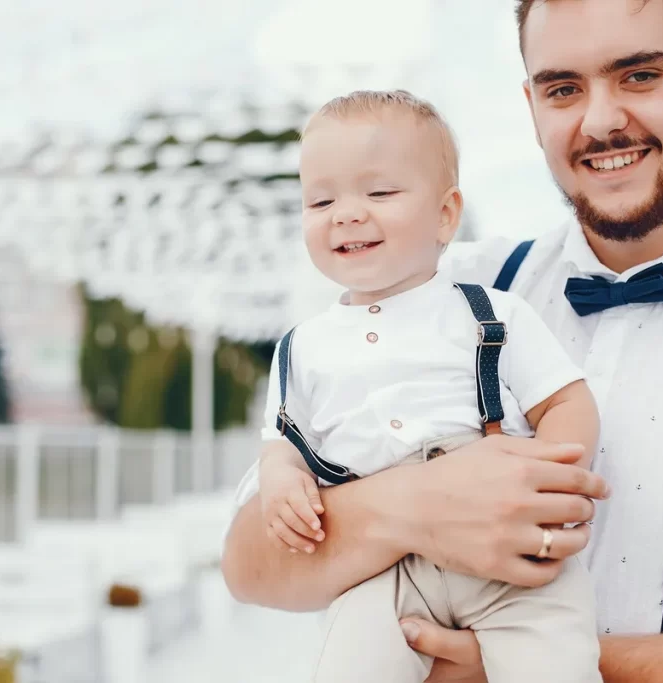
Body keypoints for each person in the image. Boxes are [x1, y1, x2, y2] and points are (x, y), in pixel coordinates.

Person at [222, 0, 663, 680]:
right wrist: (415, 505)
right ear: (534, 107)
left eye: (639, 76)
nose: (599, 120)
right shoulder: (434, 284)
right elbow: (248, 561)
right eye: (563, 88)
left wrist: (519, 663)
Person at [254, 89, 603, 682]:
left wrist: (544, 482)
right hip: (381, 573)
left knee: (557, 664)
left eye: (380, 192)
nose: (346, 212)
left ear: (446, 215)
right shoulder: (302, 347)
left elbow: (565, 400)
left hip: (508, 558)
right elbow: (282, 441)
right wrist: (281, 479)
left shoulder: (490, 313)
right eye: (321, 199)